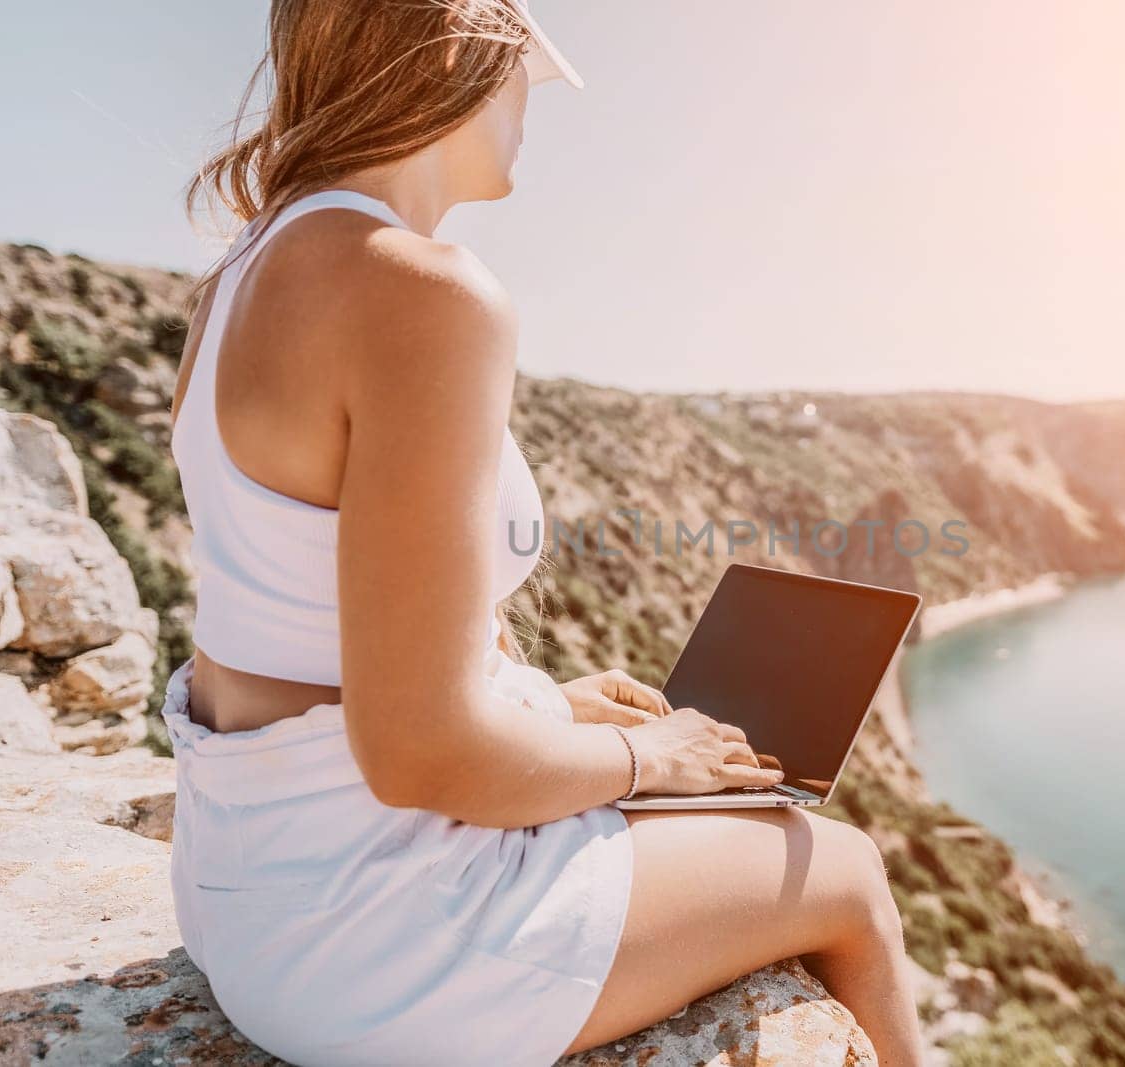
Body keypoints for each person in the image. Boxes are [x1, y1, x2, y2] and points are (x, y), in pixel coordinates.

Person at [164, 2, 919, 1063]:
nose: (534, 101)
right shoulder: (421, 292)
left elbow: (297, 628)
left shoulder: (243, 275)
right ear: (467, 56)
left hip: (247, 886)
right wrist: (641, 756)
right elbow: (421, 755)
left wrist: (543, 708)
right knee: (839, 866)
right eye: (534, 64)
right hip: (375, 943)